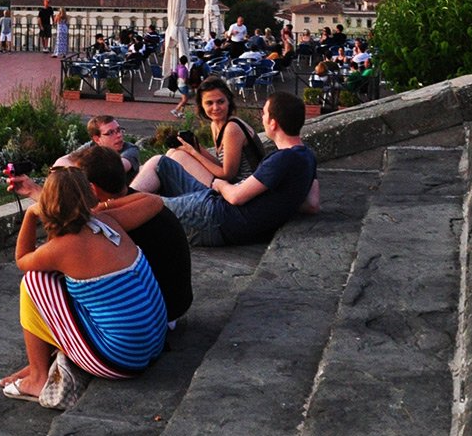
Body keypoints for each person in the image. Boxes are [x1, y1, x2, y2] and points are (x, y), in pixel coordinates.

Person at [0, 168, 167, 401]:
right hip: (153, 343)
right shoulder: (109, 222)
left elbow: (22, 260)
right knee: (77, 287)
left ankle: (37, 377)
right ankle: (42, 361)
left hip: (122, 360)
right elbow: (154, 200)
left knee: (34, 281)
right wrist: (103, 207)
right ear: (89, 194)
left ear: (48, 204)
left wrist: (30, 215)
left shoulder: (61, 248)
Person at [40, 147, 193, 327]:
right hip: (176, 304)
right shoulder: (140, 202)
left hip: (154, 315)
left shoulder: (109, 222)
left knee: (44, 279)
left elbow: (57, 249)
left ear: (93, 188)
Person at [152, 91, 320, 246]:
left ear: (273, 123)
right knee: (161, 163)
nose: (262, 118)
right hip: (223, 216)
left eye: (265, 113)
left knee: (148, 205)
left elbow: (235, 197)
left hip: (216, 218)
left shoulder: (282, 159)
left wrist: (220, 184)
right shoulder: (308, 156)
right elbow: (312, 204)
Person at [131, 77, 262, 193]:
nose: (215, 108)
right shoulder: (216, 125)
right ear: (202, 105)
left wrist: (194, 153)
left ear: (229, 101)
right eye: (209, 103)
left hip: (240, 190)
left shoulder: (232, 128)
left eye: (220, 102)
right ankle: (133, 196)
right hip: (229, 185)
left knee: (162, 161)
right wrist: (196, 147)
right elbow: (220, 164)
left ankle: (131, 196)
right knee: (172, 153)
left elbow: (227, 174)